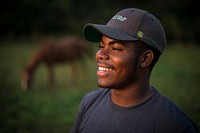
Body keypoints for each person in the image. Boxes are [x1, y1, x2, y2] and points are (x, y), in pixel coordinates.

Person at [70, 8, 198, 133]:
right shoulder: (90, 102)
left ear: (145, 59)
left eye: (115, 48)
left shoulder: (175, 126)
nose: (100, 54)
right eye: (101, 46)